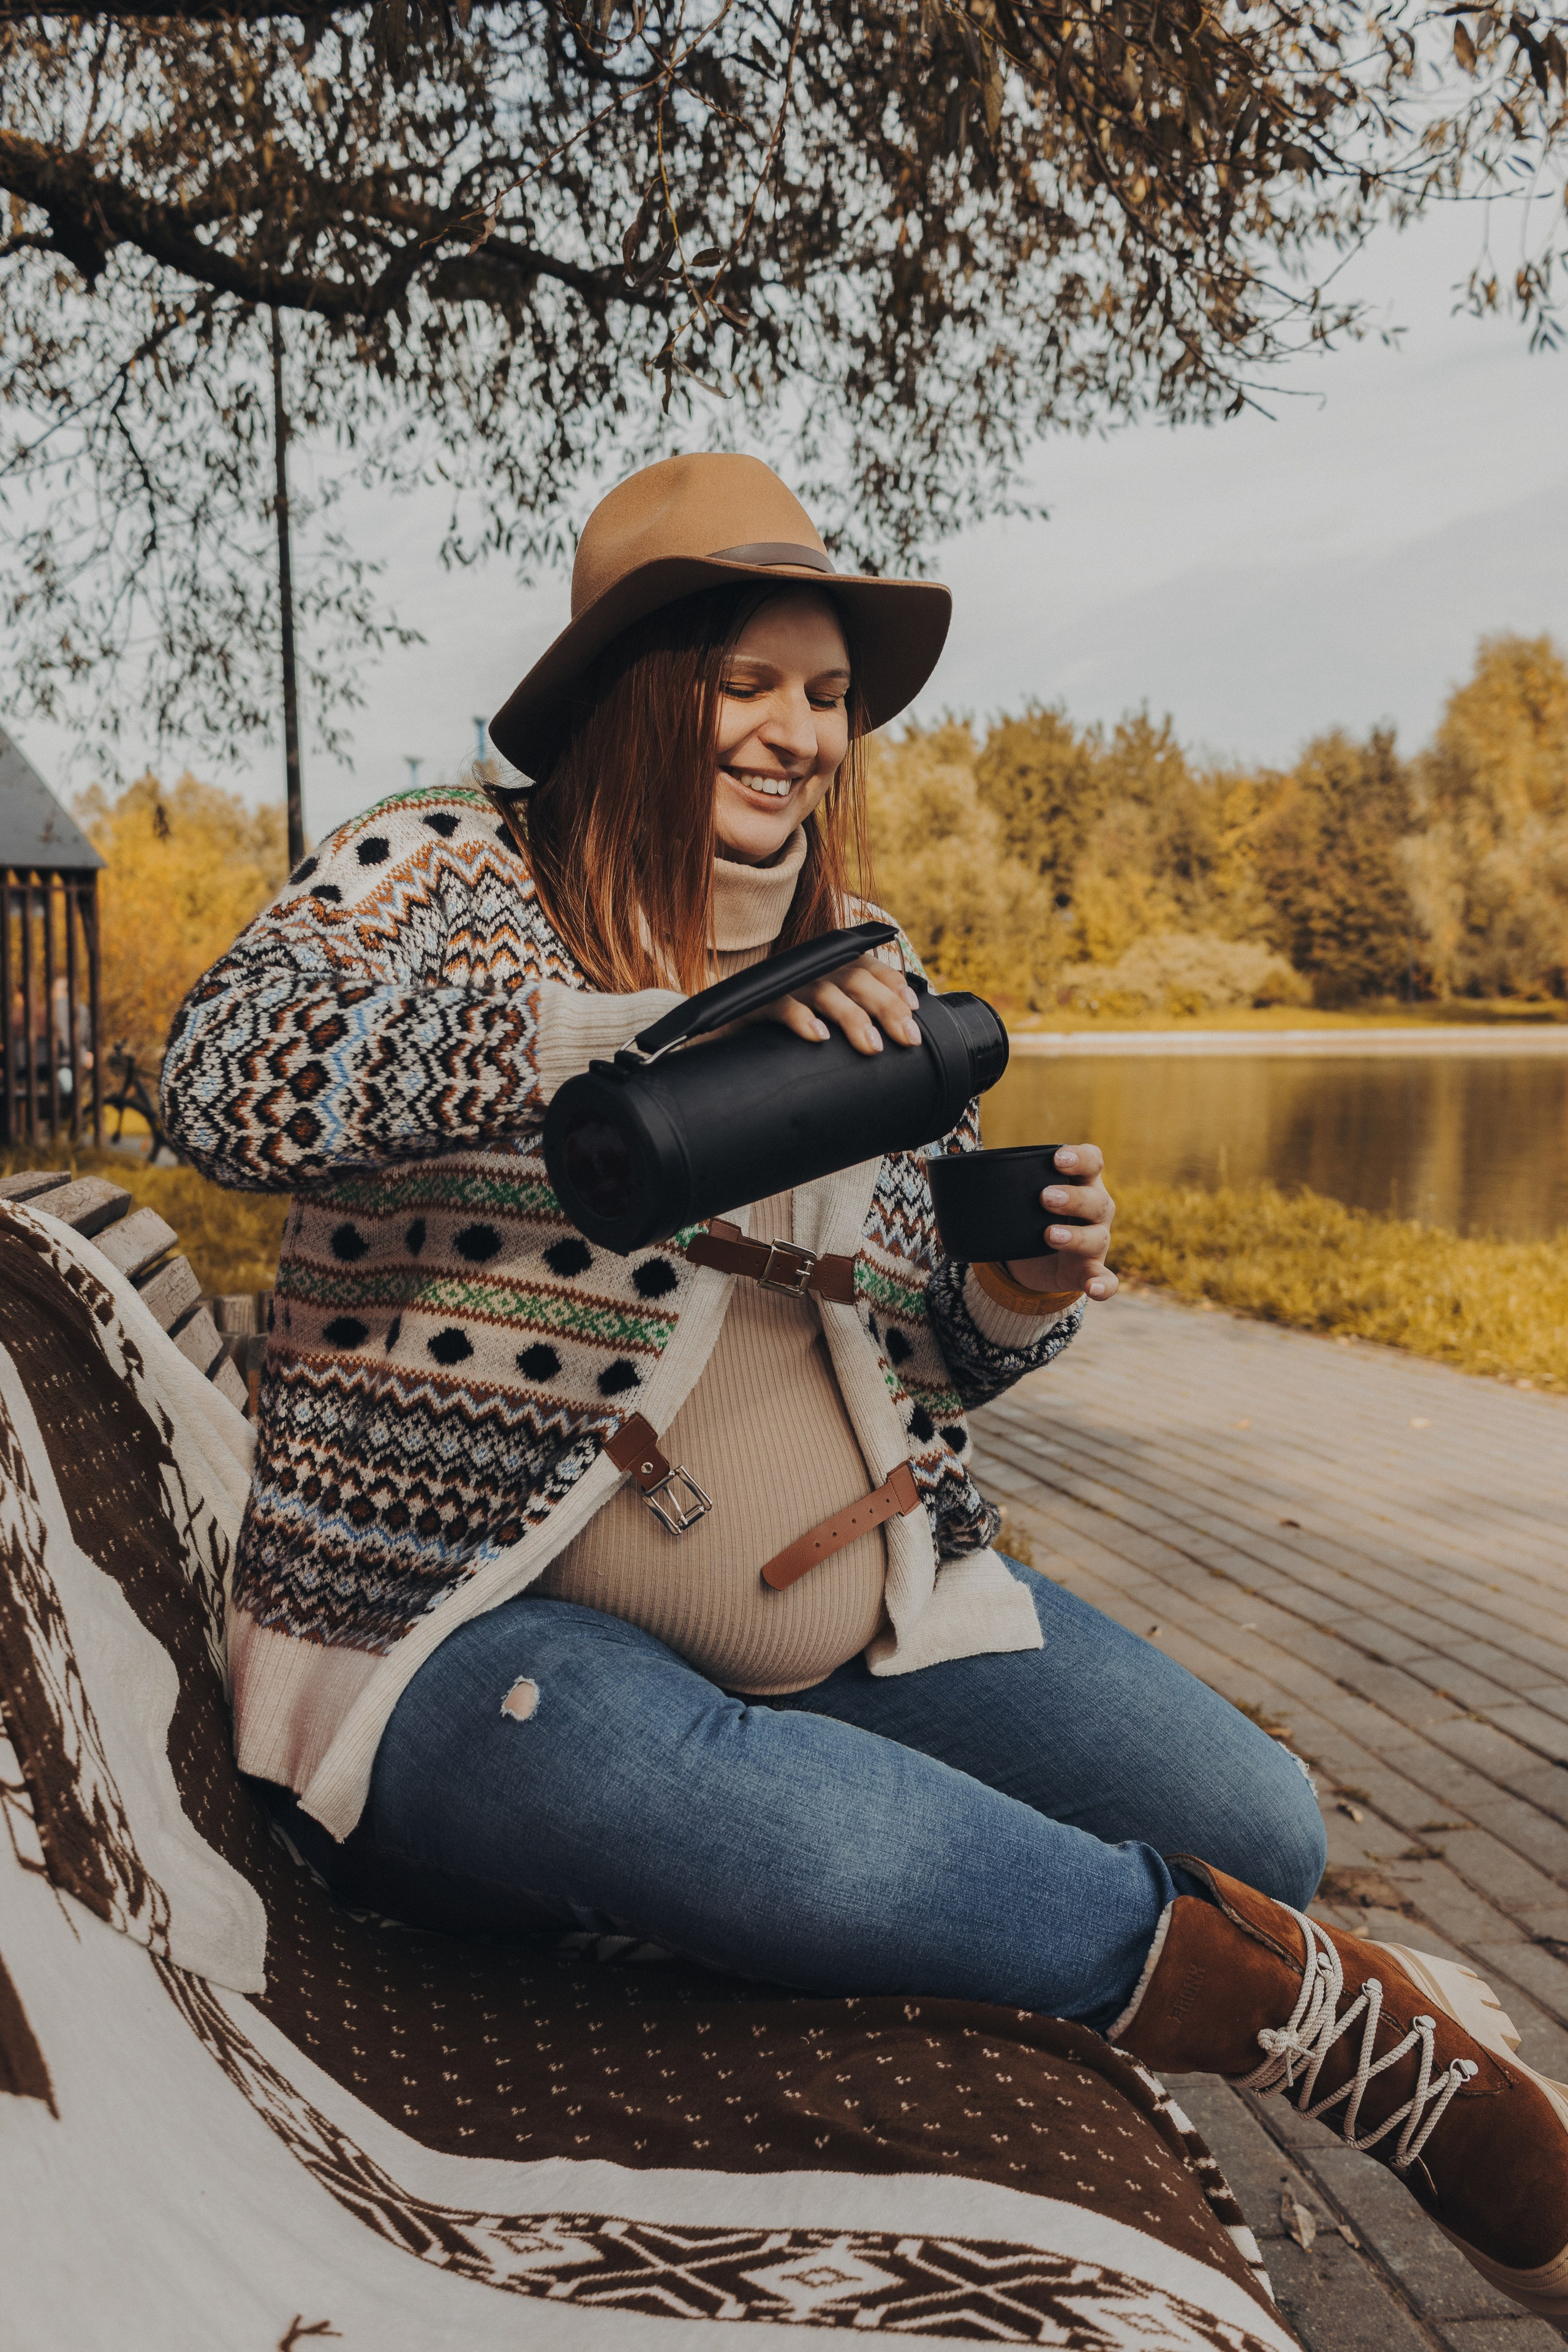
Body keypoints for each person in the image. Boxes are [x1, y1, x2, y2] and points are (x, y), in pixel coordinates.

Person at [164, 454, 1566, 2312]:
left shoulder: (864, 964)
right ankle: (1314, 2023)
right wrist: (623, 1032)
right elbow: (218, 1079)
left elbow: (922, 1352)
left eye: (828, 698)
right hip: (461, 1640)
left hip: (853, 1611)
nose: (800, 735)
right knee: (744, 1811)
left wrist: (1003, 1294)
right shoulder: (446, 872)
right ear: (632, 688)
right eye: (750, 683)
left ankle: (978, 1890)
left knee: (1267, 1821)